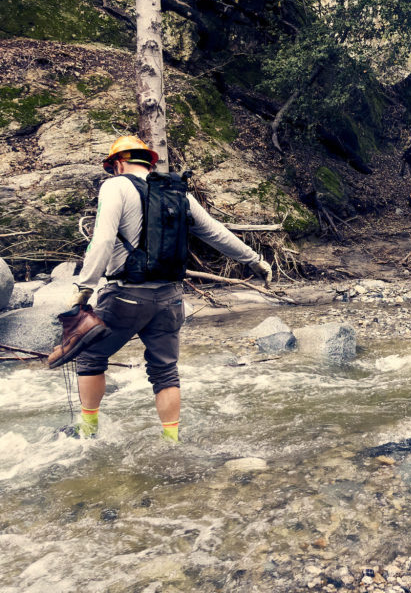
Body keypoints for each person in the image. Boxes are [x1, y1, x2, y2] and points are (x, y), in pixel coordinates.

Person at [64, 136, 272, 442]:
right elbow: (215, 232)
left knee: (90, 357)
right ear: (148, 162)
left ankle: (87, 434)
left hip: (125, 294)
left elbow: (104, 239)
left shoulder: (115, 186)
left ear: (118, 163)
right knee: (165, 372)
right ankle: (171, 442)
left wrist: (85, 286)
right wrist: (254, 260)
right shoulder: (177, 192)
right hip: (171, 298)